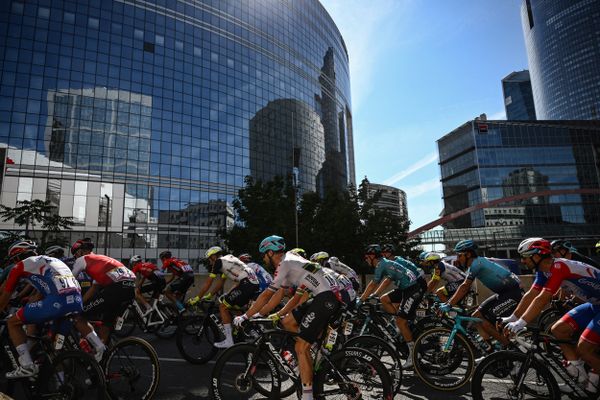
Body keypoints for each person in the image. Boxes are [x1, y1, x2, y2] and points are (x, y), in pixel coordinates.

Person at [233, 235, 341, 400]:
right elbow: (278, 295)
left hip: (325, 298)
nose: (263, 258)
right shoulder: (290, 260)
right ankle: (310, 356)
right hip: (321, 295)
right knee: (288, 321)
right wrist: (261, 314)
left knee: (300, 347)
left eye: (263, 254)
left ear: (270, 252)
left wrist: (245, 316)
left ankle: (307, 395)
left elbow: (266, 295)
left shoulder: (284, 263)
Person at [504, 238, 600, 392]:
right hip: (595, 304)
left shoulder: (559, 267)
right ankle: (580, 374)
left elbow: (542, 299)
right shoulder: (544, 271)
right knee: (558, 330)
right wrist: (513, 318)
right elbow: (531, 294)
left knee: (584, 349)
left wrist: (521, 323)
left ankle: (594, 377)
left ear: (537, 255)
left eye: (525, 256)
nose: (522, 261)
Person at [0, 240, 102, 377]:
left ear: (18, 257)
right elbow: (42, 291)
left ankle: (27, 365)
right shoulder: (50, 260)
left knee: (12, 322)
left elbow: (5, 295)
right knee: (54, 344)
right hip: (77, 299)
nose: (14, 263)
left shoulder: (20, 266)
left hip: (57, 301)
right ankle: (97, 347)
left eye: (14, 259)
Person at [443, 239, 522, 350]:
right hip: (503, 293)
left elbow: (465, 286)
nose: (457, 258)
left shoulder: (476, 264)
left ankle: (510, 349)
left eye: (459, 255)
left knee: (485, 322)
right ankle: (491, 349)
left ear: (468, 254)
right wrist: (449, 303)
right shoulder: (476, 263)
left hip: (512, 293)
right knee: (476, 316)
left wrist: (449, 304)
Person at [360, 244, 422, 368]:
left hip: (412, 289)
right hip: (406, 288)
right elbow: (386, 281)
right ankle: (399, 327)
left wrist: (361, 299)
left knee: (401, 321)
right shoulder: (385, 263)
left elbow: (373, 283)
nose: (366, 260)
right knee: (384, 299)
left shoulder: (381, 264)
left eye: (367, 257)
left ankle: (414, 355)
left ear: (372, 256)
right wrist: (375, 294)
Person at [71, 238, 136, 344]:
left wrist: (78, 306)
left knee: (78, 316)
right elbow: (94, 288)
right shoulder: (101, 261)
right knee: (106, 323)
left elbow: (69, 282)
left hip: (117, 289)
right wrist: (82, 302)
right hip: (130, 289)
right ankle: (103, 354)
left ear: (78, 252)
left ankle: (98, 347)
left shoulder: (81, 259)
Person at [203, 253, 261, 348]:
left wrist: (198, 297)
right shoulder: (229, 261)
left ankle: (229, 341)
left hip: (246, 284)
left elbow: (209, 282)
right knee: (234, 307)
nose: (209, 262)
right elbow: (221, 283)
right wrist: (212, 295)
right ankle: (240, 332)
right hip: (253, 284)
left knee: (223, 307)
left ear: (214, 256)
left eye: (209, 259)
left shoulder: (219, 262)